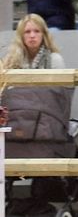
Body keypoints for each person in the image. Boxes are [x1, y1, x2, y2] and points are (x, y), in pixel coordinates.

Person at [0, 14, 74, 160]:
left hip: (46, 120)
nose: (32, 36)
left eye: (36, 31)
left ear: (44, 34)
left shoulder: (55, 59)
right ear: (21, 36)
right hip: (18, 118)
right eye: (27, 32)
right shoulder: (9, 60)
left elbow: (61, 97)